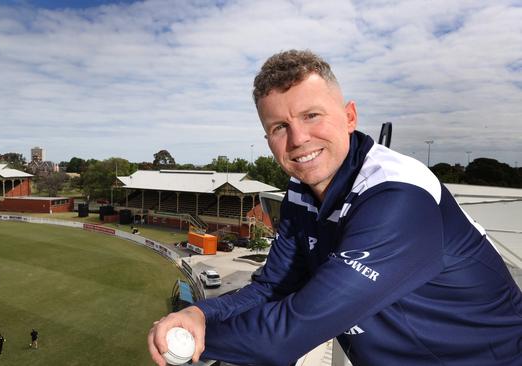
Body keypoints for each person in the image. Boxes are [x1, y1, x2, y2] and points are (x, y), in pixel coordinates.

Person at [148, 50, 522, 366]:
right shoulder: (301, 191)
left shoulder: (398, 196)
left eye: (311, 115)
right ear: (267, 140)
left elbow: (288, 334)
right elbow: (272, 288)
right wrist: (198, 313)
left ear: (349, 116)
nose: (298, 139)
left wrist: (188, 342)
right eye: (279, 127)